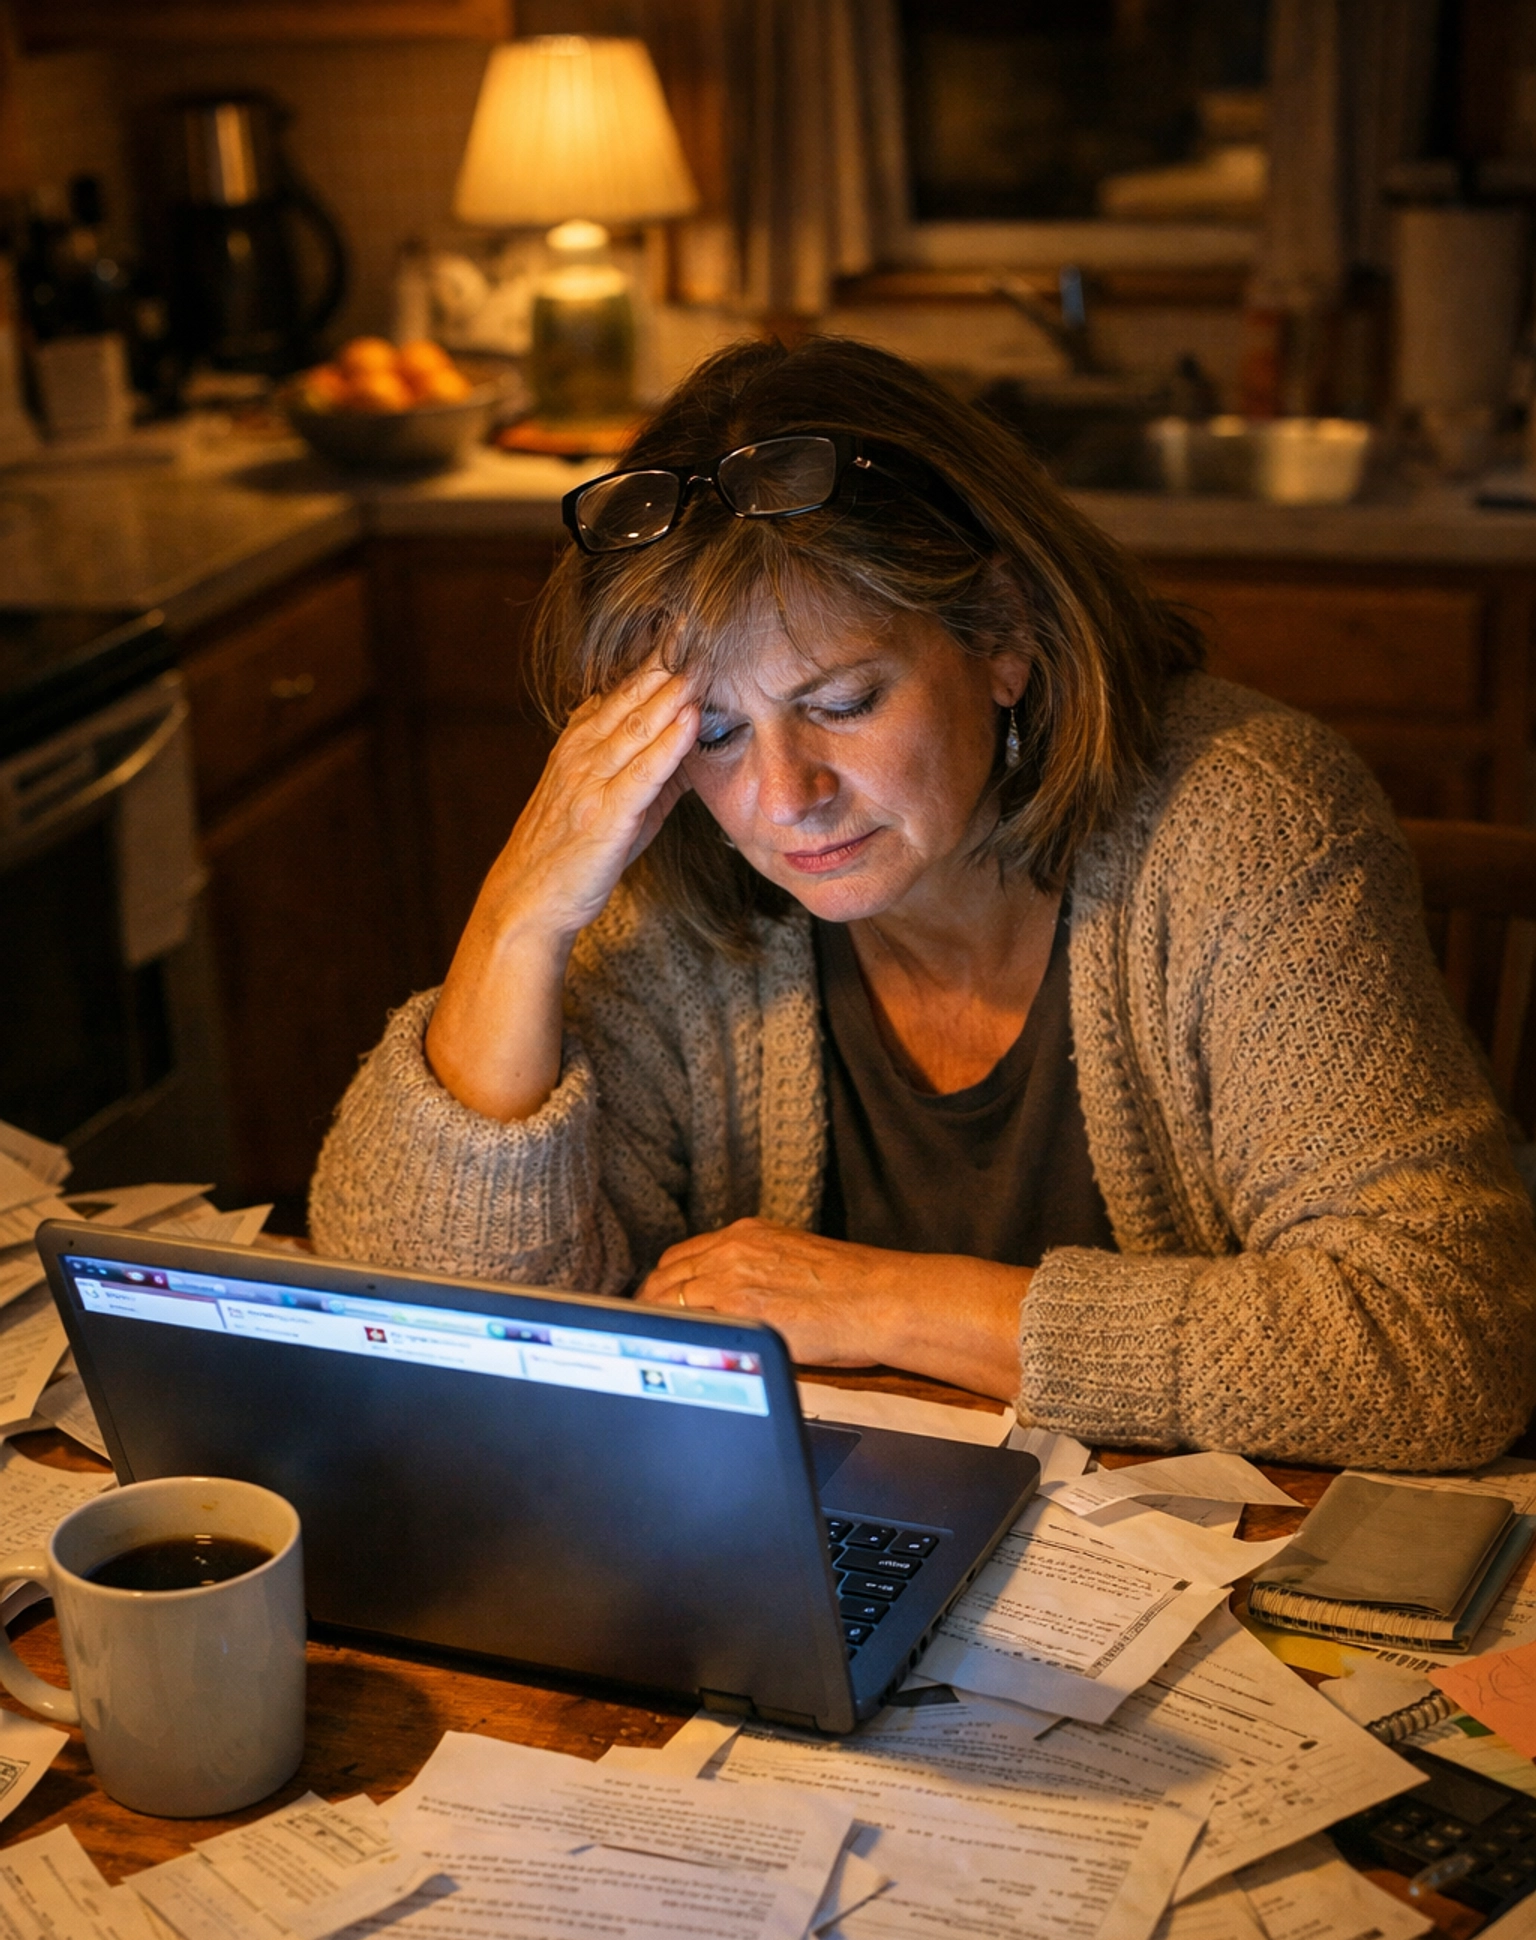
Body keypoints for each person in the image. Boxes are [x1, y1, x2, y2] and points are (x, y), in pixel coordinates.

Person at [311, 336, 1536, 1470]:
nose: (785, 798)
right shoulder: (689, 887)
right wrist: (521, 911)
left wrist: (881, 1301)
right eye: (717, 733)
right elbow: (403, 1321)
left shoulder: (1244, 827)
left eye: (843, 703)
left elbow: (1442, 1339)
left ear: (1001, 634)